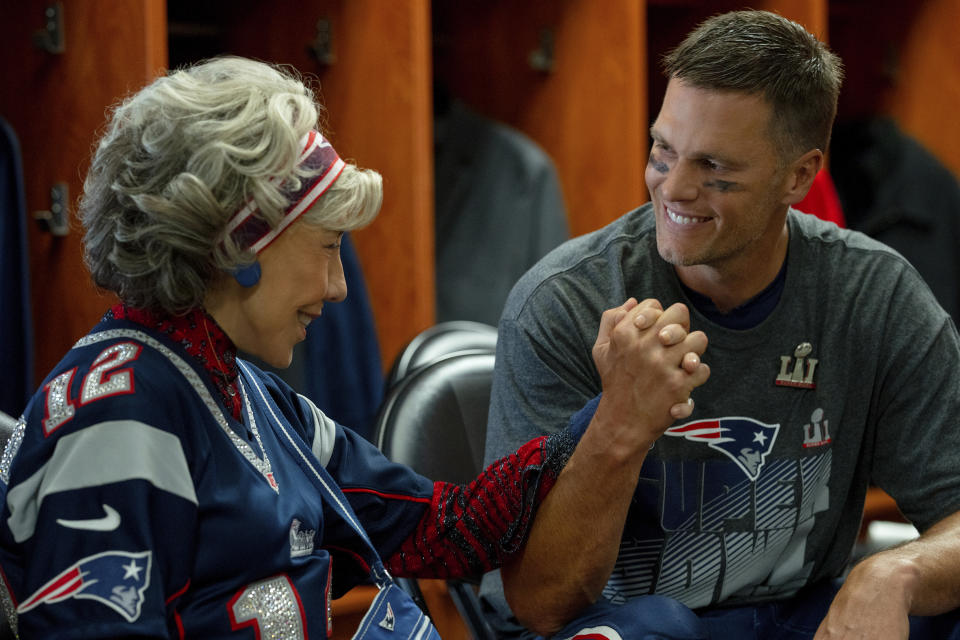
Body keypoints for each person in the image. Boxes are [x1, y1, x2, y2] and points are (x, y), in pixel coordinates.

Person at [0, 56, 709, 639]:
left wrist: (613, 408)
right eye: (330, 247)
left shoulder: (245, 389)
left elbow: (446, 530)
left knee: (656, 626)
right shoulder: (116, 413)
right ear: (240, 244)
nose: (339, 288)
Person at [481, 10, 960, 640]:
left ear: (799, 175)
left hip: (795, 617)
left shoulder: (872, 294)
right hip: (620, 627)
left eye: (715, 169)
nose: (673, 188)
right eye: (662, 150)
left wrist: (893, 575)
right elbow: (540, 604)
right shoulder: (566, 301)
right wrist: (619, 424)